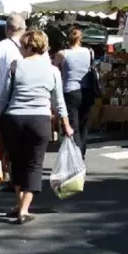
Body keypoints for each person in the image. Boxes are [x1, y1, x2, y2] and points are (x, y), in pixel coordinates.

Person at [0, 29, 71, 224]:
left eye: (21, 45)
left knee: (16, 162)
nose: (20, 48)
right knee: (34, 164)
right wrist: (66, 125)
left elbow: (3, 96)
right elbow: (59, 102)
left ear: (29, 46)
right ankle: (24, 209)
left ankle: (19, 205)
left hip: (14, 119)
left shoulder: (15, 66)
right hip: (40, 120)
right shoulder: (53, 70)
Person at [52, 27, 93, 157]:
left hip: (70, 91)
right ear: (81, 39)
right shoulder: (89, 52)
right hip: (87, 90)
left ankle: (76, 157)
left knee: (72, 126)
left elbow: (53, 70)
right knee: (83, 126)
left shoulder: (62, 54)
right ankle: (82, 155)